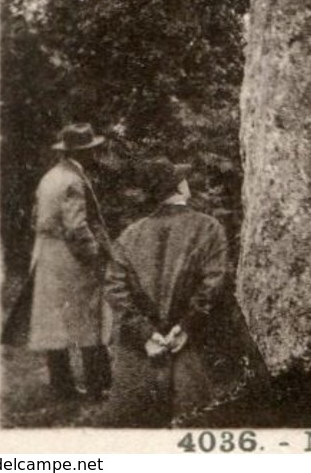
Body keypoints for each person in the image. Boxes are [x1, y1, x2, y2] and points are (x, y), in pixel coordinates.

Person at [102, 156, 230, 427]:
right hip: (192, 348)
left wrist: (147, 334)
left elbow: (115, 289)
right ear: (182, 187)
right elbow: (213, 284)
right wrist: (185, 326)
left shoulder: (129, 235)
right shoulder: (208, 227)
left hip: (142, 356)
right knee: (196, 423)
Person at [27, 122, 112, 403]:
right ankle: (98, 387)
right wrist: (94, 255)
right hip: (70, 257)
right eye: (91, 150)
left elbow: (35, 218)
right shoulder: (74, 180)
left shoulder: (50, 176)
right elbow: (76, 227)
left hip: (46, 254)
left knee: (54, 322)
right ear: (83, 152)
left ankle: (62, 386)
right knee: (89, 318)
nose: (94, 155)